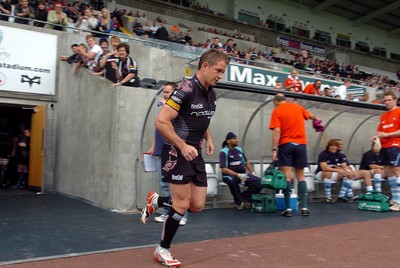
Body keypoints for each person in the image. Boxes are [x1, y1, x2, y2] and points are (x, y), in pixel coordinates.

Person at [140, 49, 229, 267]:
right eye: (218, 70)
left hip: (195, 152)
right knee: (181, 205)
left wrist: (208, 138)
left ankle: (157, 201)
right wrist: (181, 145)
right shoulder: (185, 89)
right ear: (205, 66)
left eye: (223, 72)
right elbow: (161, 121)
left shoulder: (211, 93)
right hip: (176, 151)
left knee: (196, 205)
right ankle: (162, 249)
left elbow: (201, 118)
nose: (220, 75)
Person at [269, 93, 319, 216]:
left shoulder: (277, 111)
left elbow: (277, 130)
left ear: (275, 102)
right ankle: (305, 208)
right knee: (301, 177)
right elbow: (312, 116)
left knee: (288, 176)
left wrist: (274, 149)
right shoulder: (297, 107)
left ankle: (288, 209)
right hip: (301, 145)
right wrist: (316, 121)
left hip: (286, 144)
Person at [146, 82, 189, 225]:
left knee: (177, 184)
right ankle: (168, 213)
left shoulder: (177, 109)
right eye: (164, 92)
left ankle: (180, 214)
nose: (165, 95)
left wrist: (165, 106)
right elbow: (158, 129)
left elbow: (173, 127)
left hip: (173, 150)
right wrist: (153, 147)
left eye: (168, 92)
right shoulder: (163, 109)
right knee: (164, 184)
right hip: (161, 150)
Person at [315, 139, 373, 203]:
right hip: (321, 174)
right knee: (328, 173)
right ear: (328, 146)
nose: (334, 148)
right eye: (332, 146)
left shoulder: (340, 155)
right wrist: (338, 170)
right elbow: (324, 168)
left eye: (335, 146)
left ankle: (369, 194)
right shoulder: (323, 154)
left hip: (336, 174)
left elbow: (345, 166)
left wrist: (348, 171)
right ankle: (328, 197)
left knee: (365, 173)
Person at [371, 91, 400, 211]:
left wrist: (387, 134)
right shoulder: (383, 116)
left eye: (389, 100)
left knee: (397, 171)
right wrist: (376, 138)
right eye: (385, 100)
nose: (387, 102)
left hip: (396, 145)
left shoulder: (398, 112)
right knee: (388, 172)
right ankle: (395, 199)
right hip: (385, 146)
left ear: (395, 100)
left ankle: (399, 201)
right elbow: (380, 132)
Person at [219, 132, 262, 210]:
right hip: (229, 175)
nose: (237, 140)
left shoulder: (239, 150)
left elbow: (246, 162)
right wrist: (238, 175)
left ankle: (244, 197)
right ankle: (239, 202)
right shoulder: (224, 152)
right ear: (228, 141)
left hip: (242, 175)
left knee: (259, 182)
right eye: (234, 139)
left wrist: (252, 172)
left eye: (237, 138)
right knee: (232, 180)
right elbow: (224, 169)